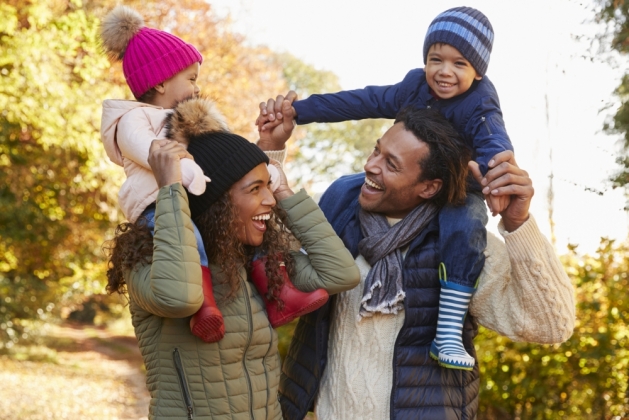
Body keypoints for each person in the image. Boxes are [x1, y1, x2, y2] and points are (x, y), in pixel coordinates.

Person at [256, 101, 575, 419]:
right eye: (376, 150)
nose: (371, 165)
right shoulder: (338, 216)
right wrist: (271, 150)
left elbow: (551, 326)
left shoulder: (463, 246)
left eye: (391, 165)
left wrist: (518, 222)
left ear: (429, 187)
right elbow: (270, 246)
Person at [257, 7, 513, 370]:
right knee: (347, 187)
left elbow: (495, 142)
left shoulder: (481, 102)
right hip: (406, 187)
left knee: (466, 224)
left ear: (478, 71)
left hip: (459, 188)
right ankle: (304, 281)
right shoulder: (414, 86)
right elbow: (364, 100)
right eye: (435, 59)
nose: (444, 71)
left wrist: (496, 175)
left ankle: (448, 329)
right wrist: (300, 111)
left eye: (459, 64)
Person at [104, 97, 360, 419]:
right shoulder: (148, 259)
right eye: (255, 190)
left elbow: (340, 273)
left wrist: (283, 190)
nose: (269, 199)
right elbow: (180, 298)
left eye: (269, 188)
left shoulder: (252, 263)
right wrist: (171, 188)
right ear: (216, 201)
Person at [99, 5, 328, 343]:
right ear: (160, 80)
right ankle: (204, 307)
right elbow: (154, 152)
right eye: (190, 79)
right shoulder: (132, 119)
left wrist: (267, 167)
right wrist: (189, 171)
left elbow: (230, 161)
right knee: (189, 239)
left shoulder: (189, 116)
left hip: (192, 197)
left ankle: (281, 296)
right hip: (156, 205)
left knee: (251, 230)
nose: (195, 87)